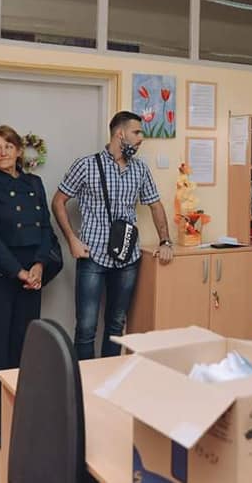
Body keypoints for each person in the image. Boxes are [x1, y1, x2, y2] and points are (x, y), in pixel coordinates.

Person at [51, 111, 173, 359]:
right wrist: (72, 239)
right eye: (136, 132)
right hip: (92, 256)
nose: (141, 138)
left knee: (117, 326)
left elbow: (155, 205)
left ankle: (110, 377)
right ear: (120, 133)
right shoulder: (86, 165)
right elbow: (58, 201)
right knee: (86, 328)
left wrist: (166, 240)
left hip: (128, 258)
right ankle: (83, 380)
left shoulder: (140, 169)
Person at [0, 124, 58, 443]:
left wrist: (39, 265)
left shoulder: (34, 183)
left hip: (32, 275)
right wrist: (18, 271)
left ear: (19, 150)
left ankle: (22, 415)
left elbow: (46, 228)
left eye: (8, 146)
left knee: (24, 347)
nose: (3, 152)